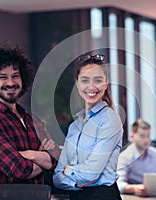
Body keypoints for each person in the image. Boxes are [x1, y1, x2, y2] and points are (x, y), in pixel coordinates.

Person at [0, 45, 61, 198]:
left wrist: (29, 155)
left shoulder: (34, 121)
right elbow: (19, 169)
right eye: (3, 77)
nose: (11, 82)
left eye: (15, 76)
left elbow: (57, 159)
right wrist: (42, 156)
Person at [53, 52, 123, 200]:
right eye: (85, 80)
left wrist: (68, 170)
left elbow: (91, 174)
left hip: (102, 196)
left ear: (106, 82)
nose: (91, 87)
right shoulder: (74, 126)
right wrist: (77, 182)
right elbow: (57, 178)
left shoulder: (110, 120)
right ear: (77, 83)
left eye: (97, 80)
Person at [116, 119, 156, 197]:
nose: (146, 140)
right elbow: (118, 184)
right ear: (132, 136)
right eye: (142, 136)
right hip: (133, 197)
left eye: (148, 136)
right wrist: (133, 188)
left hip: (155, 196)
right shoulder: (124, 157)